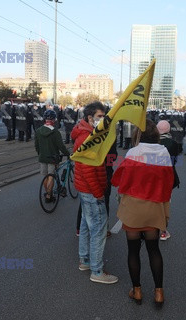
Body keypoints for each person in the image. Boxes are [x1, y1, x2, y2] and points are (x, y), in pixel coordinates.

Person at [111, 119, 174, 308]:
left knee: (133, 251)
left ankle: (137, 290)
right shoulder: (164, 153)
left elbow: (120, 179)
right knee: (154, 250)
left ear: (139, 134)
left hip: (133, 207)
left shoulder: (133, 153)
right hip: (154, 206)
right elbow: (168, 183)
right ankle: (159, 293)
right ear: (156, 134)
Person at [71, 101, 118, 284]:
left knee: (85, 224)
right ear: (90, 118)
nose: (103, 119)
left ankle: (84, 260)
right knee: (98, 229)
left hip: (85, 189)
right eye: (100, 116)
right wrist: (99, 192)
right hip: (91, 190)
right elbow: (88, 169)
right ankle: (97, 271)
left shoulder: (87, 133)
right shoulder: (87, 138)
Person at [34, 109, 70, 203]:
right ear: (54, 120)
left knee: (45, 176)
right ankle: (49, 195)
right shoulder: (55, 132)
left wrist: (40, 154)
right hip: (53, 158)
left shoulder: (38, 131)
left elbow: (36, 146)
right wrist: (67, 153)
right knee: (51, 176)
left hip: (42, 157)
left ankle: (48, 193)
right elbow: (61, 146)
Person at [157, 120, 181, 241]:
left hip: (152, 176)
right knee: (165, 202)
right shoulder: (173, 143)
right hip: (167, 177)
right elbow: (175, 160)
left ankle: (151, 225)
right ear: (169, 130)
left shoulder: (152, 141)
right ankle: (163, 230)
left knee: (153, 201)